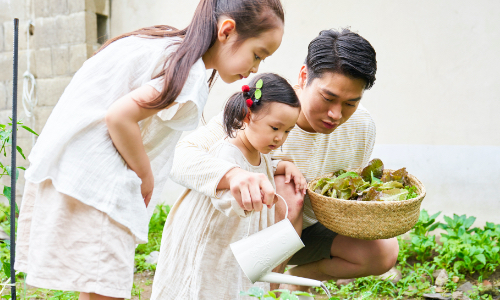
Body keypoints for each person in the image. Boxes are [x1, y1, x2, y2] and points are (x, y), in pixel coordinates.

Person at [14, 0, 286, 299]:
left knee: (96, 289)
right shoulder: (188, 72)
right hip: (101, 184)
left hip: (72, 170)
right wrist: (144, 175)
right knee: (105, 291)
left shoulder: (164, 42)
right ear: (227, 31)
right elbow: (120, 116)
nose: (256, 68)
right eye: (257, 54)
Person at [170, 28, 399, 294]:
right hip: (250, 235)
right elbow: (182, 157)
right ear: (304, 76)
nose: (336, 114)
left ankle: (290, 284)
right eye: (328, 98)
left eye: (350, 103)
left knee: (384, 251)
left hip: (307, 234)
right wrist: (234, 175)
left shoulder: (362, 127)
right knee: (288, 192)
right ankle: (267, 291)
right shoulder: (266, 109)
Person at [151, 73, 306, 299]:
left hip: (235, 244)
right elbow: (229, 200)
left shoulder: (259, 153)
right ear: (247, 116)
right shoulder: (227, 152)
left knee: (231, 285)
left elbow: (259, 169)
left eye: (287, 131)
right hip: (213, 242)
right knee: (205, 285)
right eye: (275, 128)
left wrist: (282, 165)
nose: (280, 138)